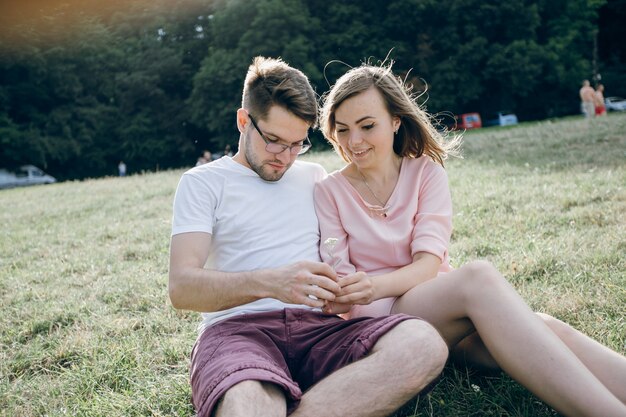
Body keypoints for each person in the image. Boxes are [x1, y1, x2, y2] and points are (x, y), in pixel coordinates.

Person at [314, 62, 626, 417]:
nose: (354, 141)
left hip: (444, 310)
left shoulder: (426, 172)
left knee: (545, 328)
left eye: (367, 126)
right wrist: (348, 290)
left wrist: (372, 284)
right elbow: (340, 277)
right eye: (342, 130)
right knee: (476, 277)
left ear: (396, 120)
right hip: (377, 322)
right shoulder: (329, 191)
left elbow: (428, 266)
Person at [168, 56, 448, 417]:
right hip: (239, 331)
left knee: (423, 344)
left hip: (319, 330)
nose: (284, 157)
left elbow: (343, 247)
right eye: (273, 140)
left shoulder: (315, 177)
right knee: (249, 403)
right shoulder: (202, 183)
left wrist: (345, 289)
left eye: (297, 143)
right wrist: (270, 283)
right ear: (243, 120)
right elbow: (182, 288)